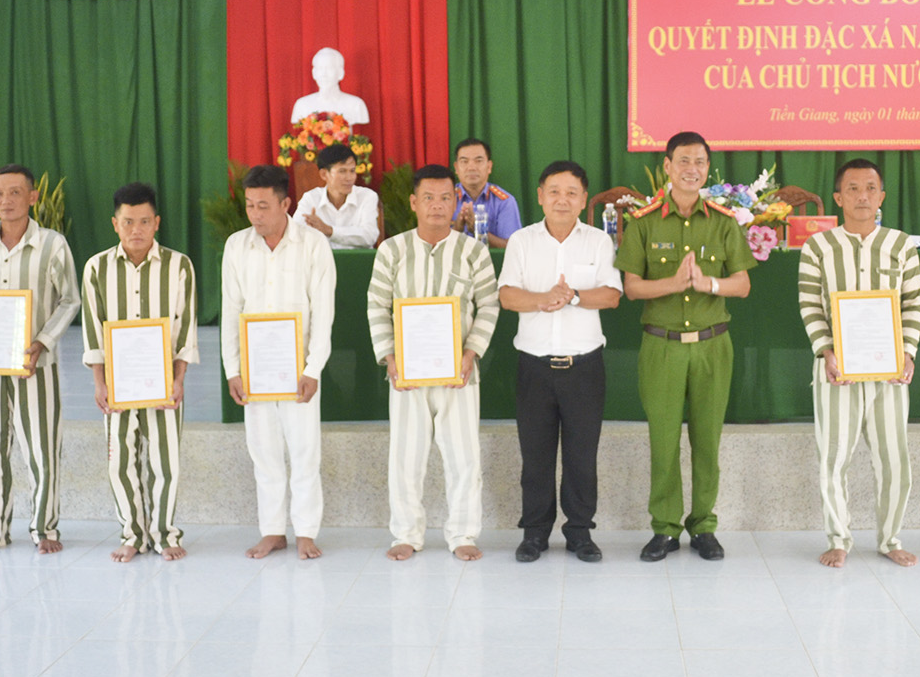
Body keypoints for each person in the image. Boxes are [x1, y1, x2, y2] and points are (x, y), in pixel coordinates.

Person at [614, 131, 754, 562]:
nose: (692, 169)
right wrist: (673, 284)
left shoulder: (724, 221)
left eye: (700, 162)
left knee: (707, 441)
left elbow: (743, 284)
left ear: (707, 169)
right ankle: (666, 528)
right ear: (668, 167)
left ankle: (704, 525)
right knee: (664, 441)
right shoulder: (644, 222)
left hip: (713, 346)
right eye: (684, 161)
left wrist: (707, 283)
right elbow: (632, 288)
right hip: (663, 347)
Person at [367, 164, 499, 561]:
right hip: (406, 373)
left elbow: (489, 305)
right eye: (429, 198)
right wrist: (390, 358)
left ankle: (463, 534)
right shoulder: (392, 249)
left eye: (446, 197)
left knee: (463, 455)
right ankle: (405, 534)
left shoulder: (473, 250)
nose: (438, 206)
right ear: (413, 202)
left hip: (458, 371)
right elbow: (376, 304)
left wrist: (469, 353)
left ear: (457, 201)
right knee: (405, 455)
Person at [797, 159, 920, 568]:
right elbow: (810, 305)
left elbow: (913, 304)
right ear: (838, 197)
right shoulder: (818, 246)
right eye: (852, 188)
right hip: (837, 372)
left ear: (882, 196)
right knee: (834, 458)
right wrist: (827, 352)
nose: (862, 196)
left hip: (890, 373)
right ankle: (839, 538)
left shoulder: (901, 245)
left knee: (894, 459)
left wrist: (907, 352)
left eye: (870, 188)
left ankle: (890, 538)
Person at [499, 160, 622, 563]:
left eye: (571, 192)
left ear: (584, 198)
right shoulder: (520, 241)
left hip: (584, 366)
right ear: (540, 195)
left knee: (581, 456)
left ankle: (580, 532)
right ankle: (534, 533)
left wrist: (571, 297)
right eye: (554, 191)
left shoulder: (599, 242)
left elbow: (611, 295)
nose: (562, 199)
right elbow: (507, 296)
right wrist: (544, 300)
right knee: (535, 456)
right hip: (534, 366)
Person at [0, 164, 81, 555]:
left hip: (37, 366)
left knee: (42, 448)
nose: (6, 201)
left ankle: (44, 527)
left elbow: (70, 300)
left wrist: (43, 343)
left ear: (32, 197)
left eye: (15, 193)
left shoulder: (52, 243)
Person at [222, 165, 335, 560]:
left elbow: (324, 311)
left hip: (297, 369)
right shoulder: (237, 246)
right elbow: (230, 311)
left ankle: (305, 531)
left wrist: (313, 368)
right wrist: (232, 370)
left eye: (264, 206)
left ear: (286, 203)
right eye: (250, 206)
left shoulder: (312, 245)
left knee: (305, 451)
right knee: (263, 451)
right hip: (255, 370)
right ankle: (272, 530)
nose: (255, 215)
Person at [81, 183, 198, 563]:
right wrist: (99, 382)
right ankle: (132, 533)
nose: (137, 230)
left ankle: (166, 533)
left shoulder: (179, 266)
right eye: (128, 222)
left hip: (163, 381)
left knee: (166, 462)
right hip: (118, 384)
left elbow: (186, 328)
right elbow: (93, 329)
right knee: (120, 462)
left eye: (145, 221)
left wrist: (179, 378)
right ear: (115, 224)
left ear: (157, 223)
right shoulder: (97, 268)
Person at [292, 143, 379, 249]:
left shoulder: (367, 196)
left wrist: (329, 230)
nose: (349, 178)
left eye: (352, 171)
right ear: (324, 174)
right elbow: (296, 235)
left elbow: (370, 236)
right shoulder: (310, 199)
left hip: (358, 263)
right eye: (342, 171)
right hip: (321, 263)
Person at [451, 138, 521, 249]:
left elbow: (514, 248)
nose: (471, 167)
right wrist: (456, 229)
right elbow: (432, 245)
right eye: (464, 161)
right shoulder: (446, 198)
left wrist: (479, 230)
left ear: (489, 166)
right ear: (456, 168)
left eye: (478, 161)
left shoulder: (504, 201)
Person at [290, 47, 370, 124]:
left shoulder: (356, 105)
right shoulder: (302, 105)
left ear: (340, 73)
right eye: (320, 68)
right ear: (314, 73)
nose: (324, 74)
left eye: (330, 68)